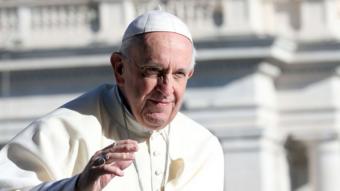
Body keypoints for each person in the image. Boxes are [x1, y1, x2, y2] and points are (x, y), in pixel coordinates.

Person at [0, 10, 224, 191]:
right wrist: (77, 187)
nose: (166, 88)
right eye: (153, 71)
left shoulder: (204, 147)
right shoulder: (62, 130)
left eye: (178, 74)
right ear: (119, 69)